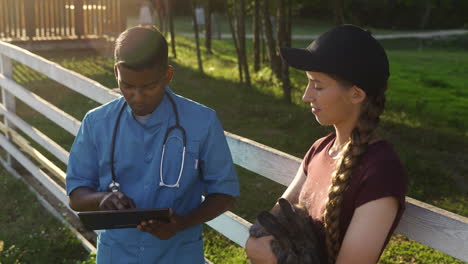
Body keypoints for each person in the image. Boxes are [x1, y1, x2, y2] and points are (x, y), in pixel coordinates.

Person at [66, 25, 240, 263]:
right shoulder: (96, 123)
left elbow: (224, 192)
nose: (137, 96)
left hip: (178, 253)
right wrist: (102, 199)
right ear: (116, 71)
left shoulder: (202, 122)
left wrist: (182, 223)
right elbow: (76, 194)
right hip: (117, 254)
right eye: (127, 86)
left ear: (167, 75)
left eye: (149, 87)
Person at [245, 25, 408, 264]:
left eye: (318, 86)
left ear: (356, 95)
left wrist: (274, 257)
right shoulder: (320, 149)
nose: (306, 96)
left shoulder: (381, 172)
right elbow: (271, 223)